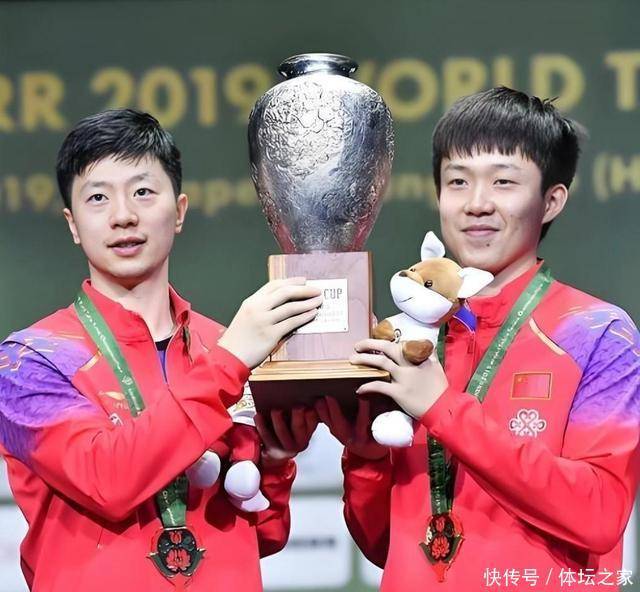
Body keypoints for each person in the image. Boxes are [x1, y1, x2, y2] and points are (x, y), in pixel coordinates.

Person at [317, 87, 640, 591]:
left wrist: (443, 409)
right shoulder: (410, 340)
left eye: (504, 181)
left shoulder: (598, 333)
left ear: (551, 200)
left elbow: (598, 514)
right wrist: (366, 456)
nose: (476, 204)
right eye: (458, 181)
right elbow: (385, 543)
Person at [0, 109, 321, 591]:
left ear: (180, 210)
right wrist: (230, 362)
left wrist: (274, 460)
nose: (123, 215)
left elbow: (264, 534)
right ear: (73, 224)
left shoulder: (223, 344)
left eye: (143, 191)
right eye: (98, 197)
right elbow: (106, 481)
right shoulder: (27, 362)